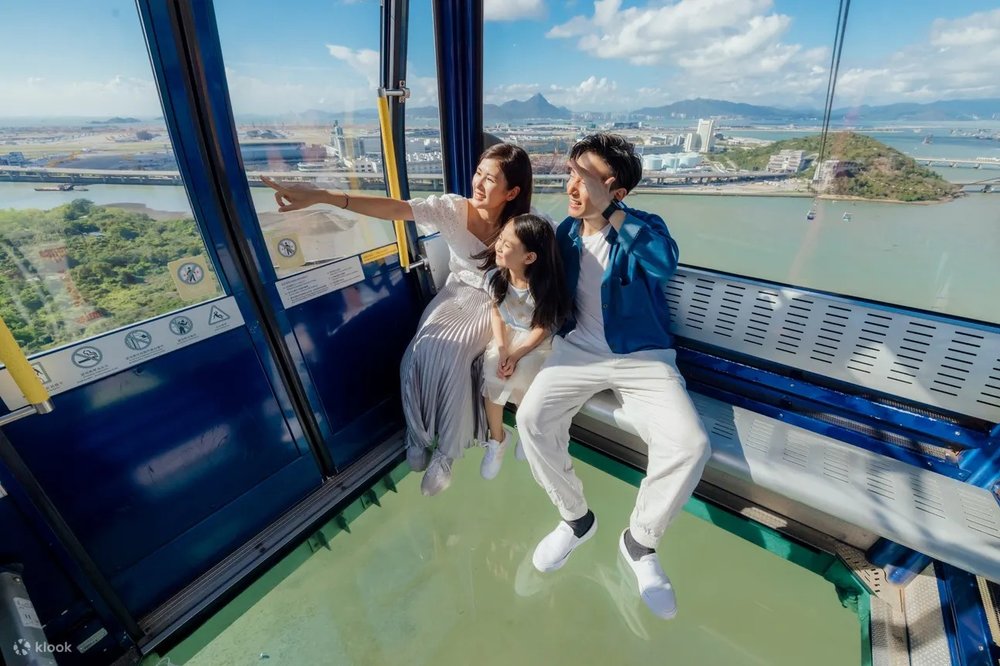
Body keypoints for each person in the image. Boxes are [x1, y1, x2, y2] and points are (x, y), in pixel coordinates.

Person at [262, 143, 532, 496]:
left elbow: (549, 264)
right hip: (456, 293)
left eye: (490, 179)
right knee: (416, 354)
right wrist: (324, 197)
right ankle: (418, 435)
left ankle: (447, 454)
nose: (478, 183)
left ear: (512, 192)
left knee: (452, 356)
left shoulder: (522, 226)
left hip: (491, 302)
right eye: (478, 173)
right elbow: (395, 208)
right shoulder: (453, 209)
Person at [515, 134, 710, 619]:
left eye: (584, 178)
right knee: (532, 420)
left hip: (643, 357)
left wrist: (610, 213)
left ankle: (640, 542)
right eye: (571, 174)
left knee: (690, 445)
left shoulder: (644, 226)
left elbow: (663, 262)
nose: (571, 186)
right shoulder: (564, 234)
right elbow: (541, 289)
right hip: (577, 351)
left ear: (615, 189)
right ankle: (575, 519)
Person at [476, 214, 570, 481]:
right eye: (500, 239)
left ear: (529, 257)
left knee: (526, 373)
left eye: (507, 245)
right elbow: (496, 313)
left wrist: (517, 354)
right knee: (492, 371)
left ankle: (526, 431)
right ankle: (497, 439)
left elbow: (544, 327)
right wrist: (502, 349)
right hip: (508, 336)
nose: (498, 246)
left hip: (535, 342)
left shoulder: (544, 287)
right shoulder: (496, 277)